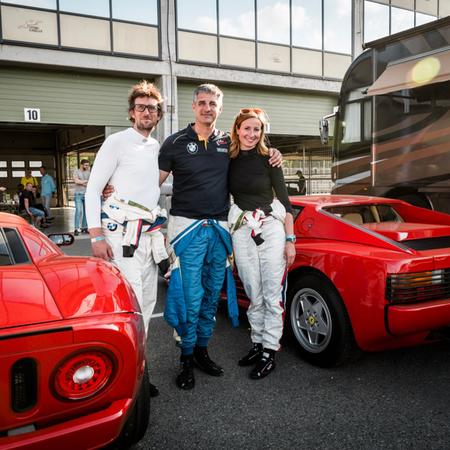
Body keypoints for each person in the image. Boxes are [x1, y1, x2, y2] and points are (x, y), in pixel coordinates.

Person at [159, 84, 282, 391]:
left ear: (220, 108)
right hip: (186, 228)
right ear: (193, 106)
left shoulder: (228, 143)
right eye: (202, 103)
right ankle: (186, 358)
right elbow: (152, 183)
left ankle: (202, 351)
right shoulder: (174, 143)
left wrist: (276, 153)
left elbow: (254, 153)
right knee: (189, 297)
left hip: (219, 228)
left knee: (212, 295)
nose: (207, 108)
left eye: (212, 103)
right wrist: (114, 190)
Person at [85, 80, 166, 398]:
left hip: (149, 236)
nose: (147, 112)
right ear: (132, 112)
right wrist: (95, 235)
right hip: (120, 236)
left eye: (153, 108)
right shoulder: (116, 142)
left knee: (147, 304)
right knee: (128, 305)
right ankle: (126, 379)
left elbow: (150, 187)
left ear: (158, 114)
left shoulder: (155, 147)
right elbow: (94, 188)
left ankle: (140, 372)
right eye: (142, 107)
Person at [228, 107, 295, 379]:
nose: (252, 134)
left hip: (270, 227)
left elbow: (287, 203)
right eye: (247, 128)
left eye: (257, 129)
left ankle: (270, 350)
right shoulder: (227, 159)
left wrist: (290, 240)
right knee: (252, 291)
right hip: (242, 230)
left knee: (271, 293)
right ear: (237, 130)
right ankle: (257, 343)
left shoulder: (270, 159)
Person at [73, 159, 90, 235]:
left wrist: (81, 181)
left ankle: (84, 228)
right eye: (86, 165)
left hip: (86, 194)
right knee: (79, 211)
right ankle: (76, 228)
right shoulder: (76, 171)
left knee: (86, 212)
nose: (87, 166)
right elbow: (76, 181)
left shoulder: (88, 172)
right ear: (81, 164)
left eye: (88, 165)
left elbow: (90, 182)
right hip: (78, 194)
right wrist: (85, 181)